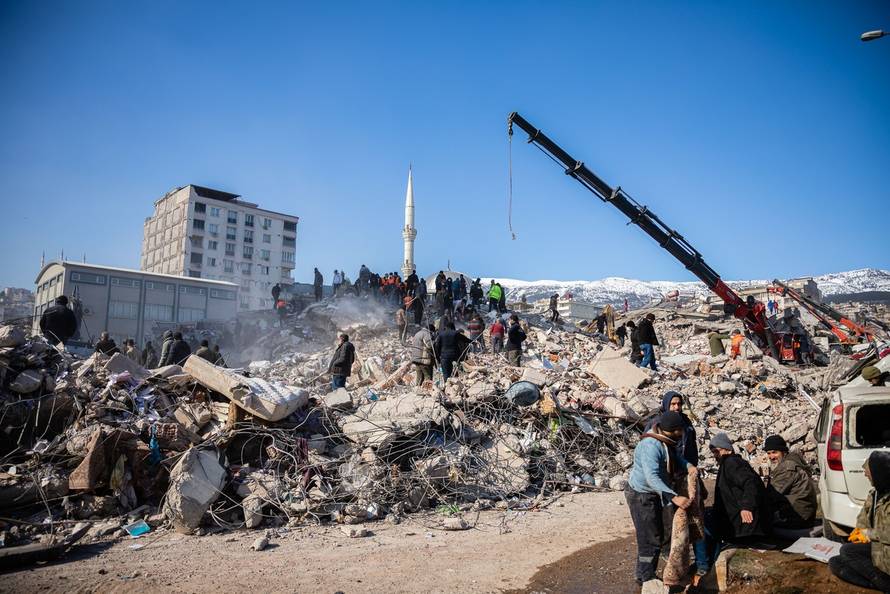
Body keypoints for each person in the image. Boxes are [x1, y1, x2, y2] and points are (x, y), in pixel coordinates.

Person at [625, 411, 698, 586]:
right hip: (641, 495)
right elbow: (652, 478)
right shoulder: (651, 446)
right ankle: (647, 579)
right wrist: (674, 497)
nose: (682, 433)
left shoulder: (665, 440)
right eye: (681, 430)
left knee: (655, 534)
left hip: (653, 493)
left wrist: (688, 466)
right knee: (650, 538)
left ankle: (642, 574)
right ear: (673, 430)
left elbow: (674, 457)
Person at [828, 451, 890, 592]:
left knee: (847, 552)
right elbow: (864, 516)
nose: (865, 474)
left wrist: (870, 534)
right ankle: (880, 582)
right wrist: (860, 529)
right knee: (835, 562)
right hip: (878, 549)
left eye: (868, 471)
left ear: (879, 473)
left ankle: (882, 582)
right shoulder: (875, 494)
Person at [709, 432, 771, 546]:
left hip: (744, 526)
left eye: (717, 451)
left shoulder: (732, 463)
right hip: (739, 524)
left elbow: (750, 483)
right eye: (713, 452)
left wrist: (747, 507)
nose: (715, 455)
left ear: (726, 449)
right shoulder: (728, 463)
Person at [763, 435, 818, 529]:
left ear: (783, 452)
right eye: (769, 453)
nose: (771, 457)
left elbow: (773, 495)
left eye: (774, 452)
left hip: (797, 517)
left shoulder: (787, 467)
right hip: (805, 513)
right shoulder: (793, 461)